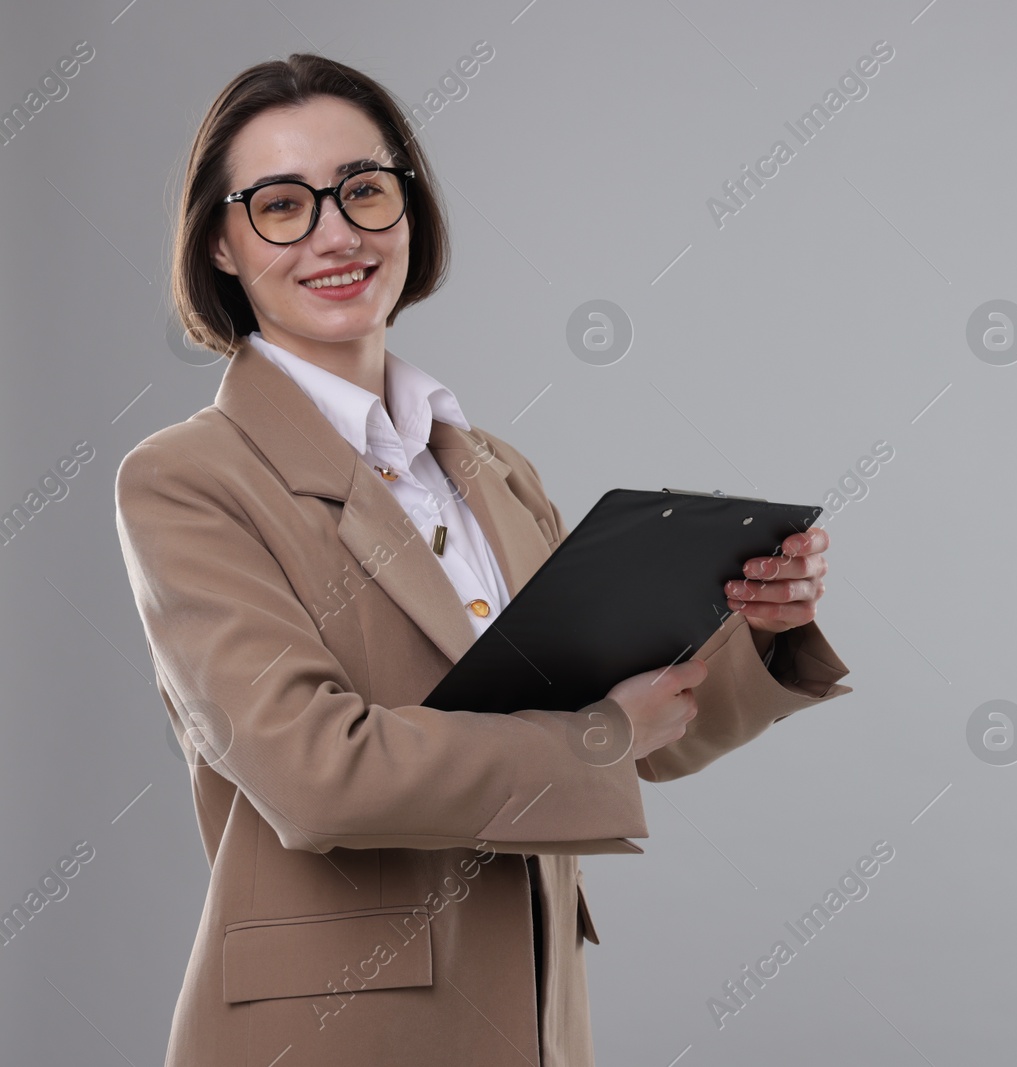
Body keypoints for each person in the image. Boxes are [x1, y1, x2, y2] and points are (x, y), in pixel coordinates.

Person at [113, 53, 853, 1067]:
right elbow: (316, 772)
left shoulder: (492, 468)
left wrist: (756, 637)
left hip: (534, 1020)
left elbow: (641, 727)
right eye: (282, 205)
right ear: (222, 247)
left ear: (408, 212)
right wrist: (597, 735)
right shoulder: (189, 478)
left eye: (364, 190)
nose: (337, 232)